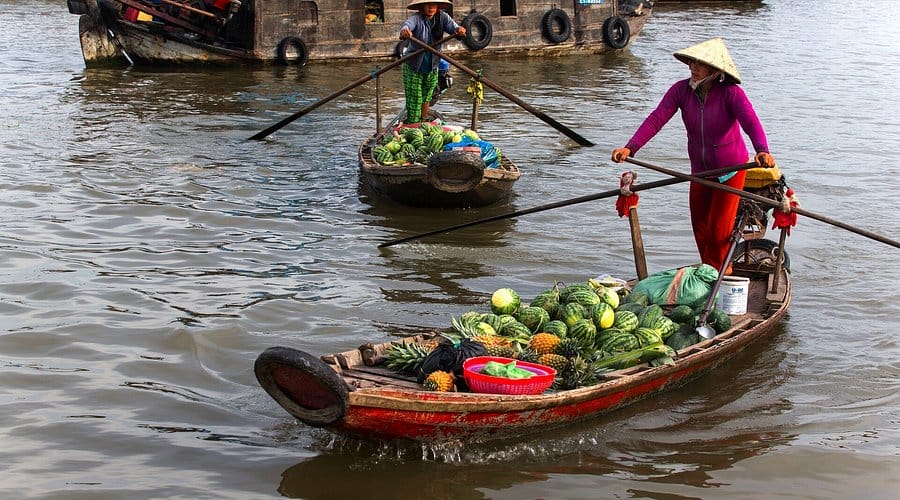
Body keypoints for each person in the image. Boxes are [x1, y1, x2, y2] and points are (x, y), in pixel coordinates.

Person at [611, 37, 776, 274]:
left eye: (700, 64)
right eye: (691, 62)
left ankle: (719, 274)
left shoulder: (731, 93)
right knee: (699, 226)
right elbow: (657, 118)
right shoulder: (681, 90)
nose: (693, 67)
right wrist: (631, 147)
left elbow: (751, 122)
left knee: (718, 230)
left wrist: (762, 150)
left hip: (730, 170)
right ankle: (712, 270)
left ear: (715, 70)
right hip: (700, 171)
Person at [399, 0, 465, 124]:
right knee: (415, 99)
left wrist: (459, 30)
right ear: (422, 6)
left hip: (433, 65)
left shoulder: (443, 17)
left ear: (438, 6)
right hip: (414, 65)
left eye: (434, 5)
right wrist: (405, 31)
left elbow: (454, 28)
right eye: (428, 5)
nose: (431, 8)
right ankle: (414, 125)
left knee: (427, 97)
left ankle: (423, 122)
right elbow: (407, 26)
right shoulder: (416, 18)